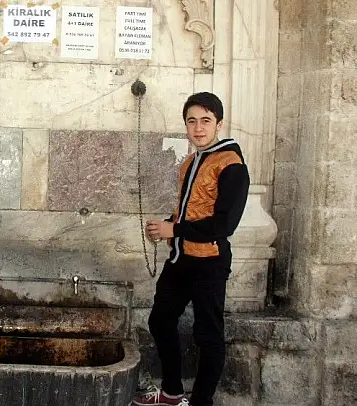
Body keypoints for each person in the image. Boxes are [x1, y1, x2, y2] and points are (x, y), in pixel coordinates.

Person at [133, 92, 250, 406]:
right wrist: (167, 226)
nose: (198, 128)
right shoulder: (190, 161)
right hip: (180, 259)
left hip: (209, 262)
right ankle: (172, 393)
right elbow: (190, 212)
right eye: (192, 121)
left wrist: (175, 229)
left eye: (206, 121)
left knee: (208, 335)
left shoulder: (232, 164)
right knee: (160, 321)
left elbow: (224, 225)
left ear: (219, 124)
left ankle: (200, 402)